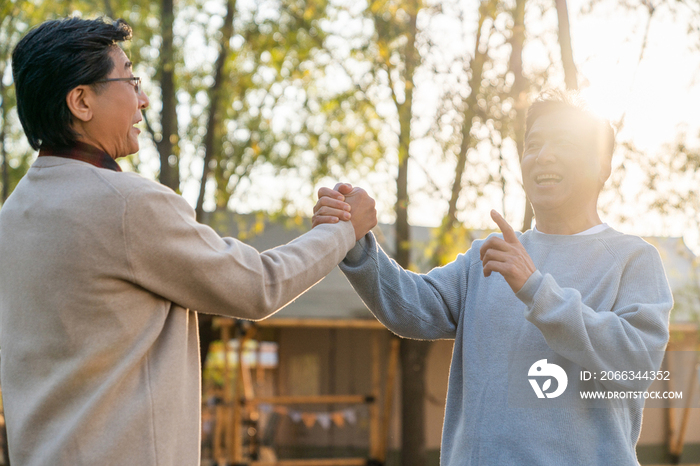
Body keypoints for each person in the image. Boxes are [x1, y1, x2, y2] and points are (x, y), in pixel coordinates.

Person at [0, 17, 376, 465]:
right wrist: (342, 231)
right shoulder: (125, 204)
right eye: (129, 78)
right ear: (81, 101)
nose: (141, 100)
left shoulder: (14, 214)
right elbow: (259, 285)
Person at [313, 91, 673, 465]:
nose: (543, 155)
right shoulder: (487, 256)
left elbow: (636, 363)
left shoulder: (634, 259)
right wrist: (354, 242)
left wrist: (536, 289)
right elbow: (411, 308)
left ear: (603, 165)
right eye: (533, 143)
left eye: (563, 142)